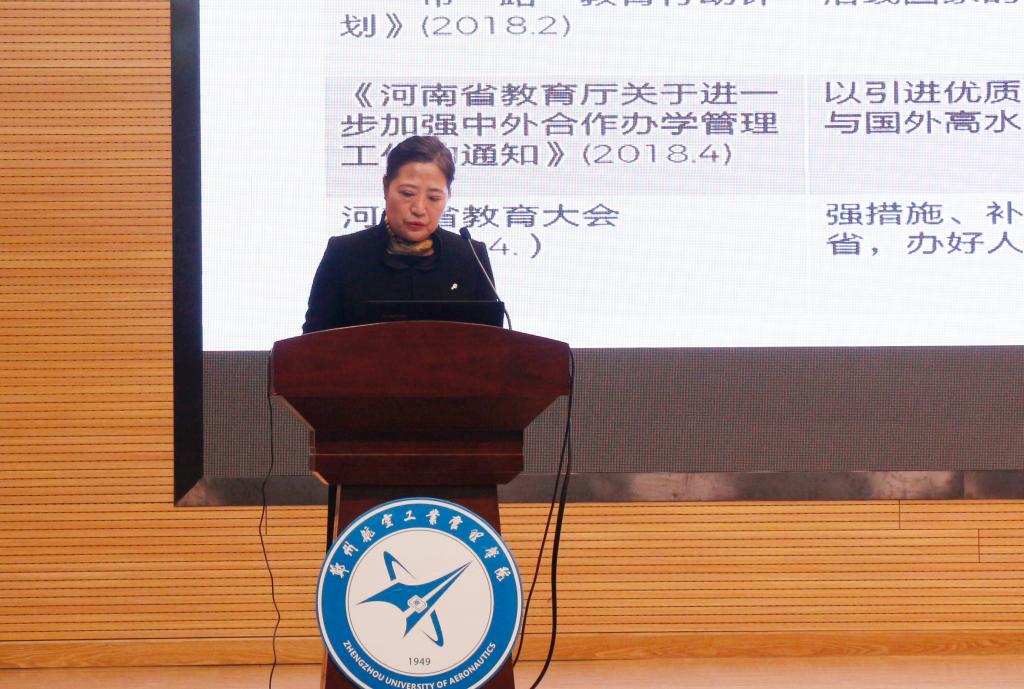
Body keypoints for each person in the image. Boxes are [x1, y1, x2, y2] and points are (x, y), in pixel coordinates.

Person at [302, 135, 496, 334]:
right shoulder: (344, 254)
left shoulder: (471, 256)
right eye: (407, 194)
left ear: (448, 196)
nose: (419, 209)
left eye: (433, 198)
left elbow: (494, 341)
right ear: (386, 187)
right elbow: (312, 342)